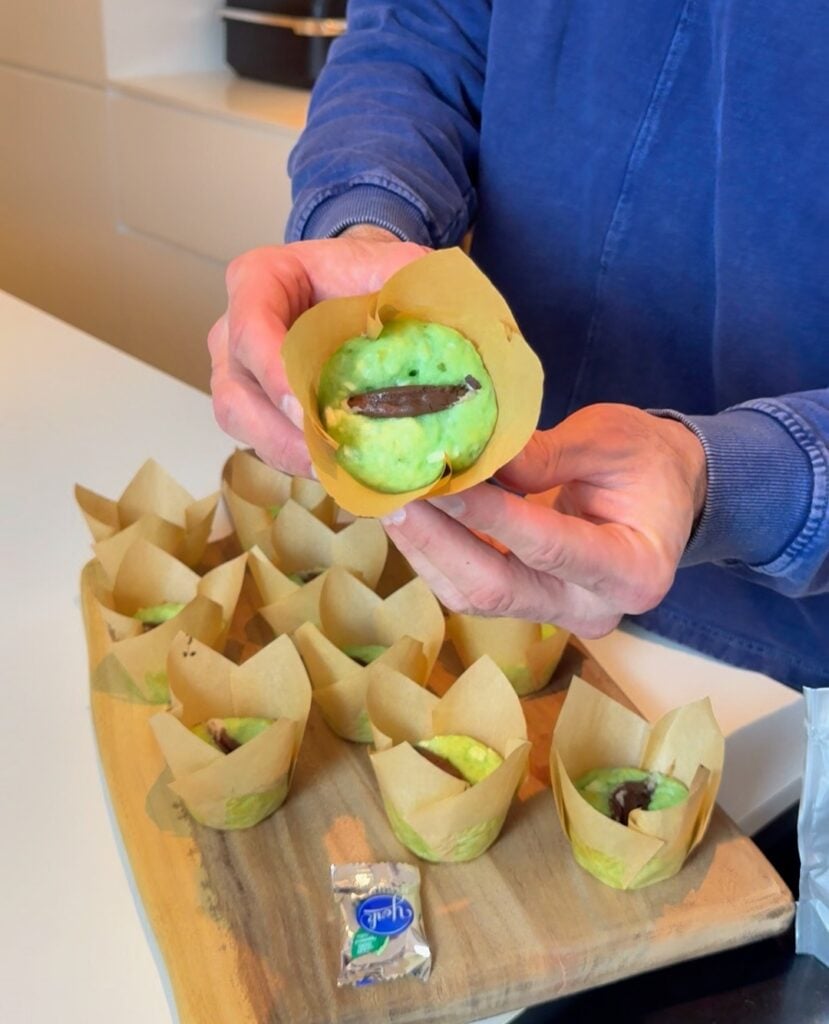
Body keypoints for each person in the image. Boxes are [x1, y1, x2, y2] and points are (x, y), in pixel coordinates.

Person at [209, 1, 829, 690]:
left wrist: (744, 480)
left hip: (784, 642)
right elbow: (419, 32)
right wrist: (364, 224)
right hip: (485, 549)